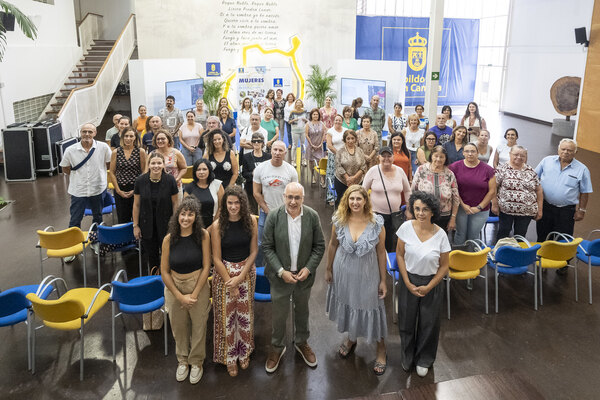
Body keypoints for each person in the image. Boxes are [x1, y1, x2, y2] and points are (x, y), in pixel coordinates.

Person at [262, 182, 325, 373]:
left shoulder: (312, 216)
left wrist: (309, 268)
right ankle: (277, 347)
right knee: (279, 314)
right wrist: (281, 271)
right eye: (289, 197)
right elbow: (267, 247)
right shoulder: (274, 216)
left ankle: (301, 342)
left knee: (302, 311)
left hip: (303, 277)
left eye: (297, 197)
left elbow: (319, 246)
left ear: (303, 198)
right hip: (280, 277)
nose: (293, 201)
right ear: (284, 197)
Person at [325, 185, 388, 375]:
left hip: (368, 273)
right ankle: (352, 338)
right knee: (350, 303)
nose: (355, 202)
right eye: (351, 198)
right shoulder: (339, 220)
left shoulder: (376, 223)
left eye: (359, 199)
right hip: (343, 272)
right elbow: (332, 245)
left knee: (372, 306)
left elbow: (381, 252)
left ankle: (381, 349)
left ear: (365, 201)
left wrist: (383, 280)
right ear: (346, 200)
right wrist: (328, 269)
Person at [395, 191, 450, 378]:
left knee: (429, 323)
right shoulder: (405, 228)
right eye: (417, 208)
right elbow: (400, 255)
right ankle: (407, 355)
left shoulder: (441, 235)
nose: (420, 213)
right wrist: (406, 281)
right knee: (406, 320)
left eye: (425, 209)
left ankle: (424, 359)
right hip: (408, 279)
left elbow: (444, 266)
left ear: (433, 211)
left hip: (431, 283)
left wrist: (430, 286)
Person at [160, 197, 211, 385]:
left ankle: (196, 362)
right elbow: (164, 271)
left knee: (199, 326)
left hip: (198, 284)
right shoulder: (168, 239)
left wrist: (195, 294)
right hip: (175, 287)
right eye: (183, 214)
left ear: (196, 217)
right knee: (178, 327)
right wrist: (180, 296)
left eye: (190, 214)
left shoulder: (203, 235)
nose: (186, 218)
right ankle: (182, 360)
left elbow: (207, 266)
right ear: (177, 216)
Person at [211, 185, 258, 376]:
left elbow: (254, 251)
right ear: (225, 204)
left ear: (242, 203)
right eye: (229, 203)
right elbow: (216, 258)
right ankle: (229, 357)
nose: (233, 206)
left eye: (237, 203)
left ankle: (244, 351)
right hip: (224, 275)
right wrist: (230, 282)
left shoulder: (251, 221)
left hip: (246, 272)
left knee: (245, 315)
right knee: (226, 318)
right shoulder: (217, 226)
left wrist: (240, 277)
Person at [535, 138, 593, 274]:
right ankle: (542, 262)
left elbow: (585, 192)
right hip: (545, 206)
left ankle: (563, 265)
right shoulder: (546, 161)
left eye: (570, 150)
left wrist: (582, 210)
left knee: (564, 238)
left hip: (566, 210)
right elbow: (533, 178)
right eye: (563, 149)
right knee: (542, 235)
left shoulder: (582, 169)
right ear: (558, 149)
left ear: (575, 152)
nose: (566, 152)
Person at [253, 141, 298, 268]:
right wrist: (267, 210)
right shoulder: (261, 169)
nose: (277, 153)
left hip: (286, 214)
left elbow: (295, 194)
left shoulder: (291, 170)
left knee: (284, 243)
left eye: (280, 150)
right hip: (265, 213)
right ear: (271, 151)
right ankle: (258, 269)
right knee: (261, 243)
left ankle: (282, 269)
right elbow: (256, 192)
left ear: (285, 153)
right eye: (275, 150)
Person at [60, 124, 112, 233]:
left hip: (97, 188)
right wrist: (78, 176)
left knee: (98, 217)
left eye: (90, 132)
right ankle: (74, 239)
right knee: (75, 218)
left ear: (95, 133)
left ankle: (96, 237)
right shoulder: (70, 150)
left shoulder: (103, 147)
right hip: (78, 189)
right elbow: (65, 168)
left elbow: (109, 164)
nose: (87, 134)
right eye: (84, 131)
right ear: (80, 133)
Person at [133, 151, 179, 269]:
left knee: (167, 256)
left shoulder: (170, 180)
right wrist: (135, 225)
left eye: (159, 163)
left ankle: (166, 278)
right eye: (153, 163)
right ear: (148, 165)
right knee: (152, 257)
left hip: (166, 224)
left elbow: (175, 204)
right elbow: (136, 205)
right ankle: (154, 276)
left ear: (163, 165)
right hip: (146, 225)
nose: (156, 166)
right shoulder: (140, 181)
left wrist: (175, 224)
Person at [363, 147, 411, 251]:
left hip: (395, 215)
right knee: (376, 243)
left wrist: (408, 209)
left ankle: (388, 261)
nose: (386, 158)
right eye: (383, 156)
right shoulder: (373, 171)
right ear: (378, 157)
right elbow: (363, 191)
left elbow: (407, 190)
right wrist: (365, 210)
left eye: (389, 156)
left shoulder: (400, 171)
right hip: (376, 215)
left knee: (392, 243)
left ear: (393, 157)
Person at [491, 146, 542, 240]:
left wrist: (540, 210)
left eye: (522, 155)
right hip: (506, 211)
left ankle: (518, 250)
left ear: (526, 157)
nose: (519, 157)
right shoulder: (502, 169)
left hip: (526, 212)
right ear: (510, 154)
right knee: (503, 234)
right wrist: (494, 204)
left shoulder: (531, 171)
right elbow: (493, 187)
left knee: (520, 236)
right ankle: (501, 249)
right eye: (516, 154)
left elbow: (539, 190)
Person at [449, 143, 496, 244]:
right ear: (463, 153)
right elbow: (453, 189)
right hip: (460, 208)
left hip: (481, 210)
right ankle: (459, 254)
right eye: (467, 151)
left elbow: (492, 191)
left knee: (473, 236)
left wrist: (479, 207)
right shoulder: (454, 167)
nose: (470, 154)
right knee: (460, 234)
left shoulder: (488, 169)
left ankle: (473, 253)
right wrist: (463, 205)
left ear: (478, 153)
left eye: (473, 151)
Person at [412, 145, 460, 232]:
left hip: (444, 216)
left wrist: (453, 218)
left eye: (441, 157)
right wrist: (411, 211)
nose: (438, 159)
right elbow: (413, 192)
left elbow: (456, 198)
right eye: (436, 156)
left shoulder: (449, 174)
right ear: (431, 156)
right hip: (423, 214)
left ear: (445, 158)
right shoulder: (421, 170)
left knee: (440, 238)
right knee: (423, 236)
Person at [109, 126, 147, 224]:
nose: (128, 138)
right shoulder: (116, 152)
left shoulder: (140, 151)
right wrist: (118, 190)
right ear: (122, 137)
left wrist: (135, 190)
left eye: (131, 136)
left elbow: (144, 172)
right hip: (120, 188)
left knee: (137, 218)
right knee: (122, 218)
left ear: (135, 138)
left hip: (136, 188)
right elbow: (112, 172)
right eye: (126, 136)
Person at [184, 159, 224, 228]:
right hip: (194, 226)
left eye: (204, 169)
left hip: (214, 224)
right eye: (198, 170)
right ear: (195, 172)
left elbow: (222, 207)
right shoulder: (189, 187)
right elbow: (185, 208)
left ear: (209, 170)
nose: (201, 172)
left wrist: (213, 226)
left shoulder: (217, 185)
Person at [334, 130, 367, 208]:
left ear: (355, 139)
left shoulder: (360, 150)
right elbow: (338, 166)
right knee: (342, 203)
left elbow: (363, 166)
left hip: (358, 181)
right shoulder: (340, 151)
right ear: (344, 139)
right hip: (342, 181)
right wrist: (348, 179)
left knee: (356, 203)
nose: (350, 141)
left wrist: (354, 178)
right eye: (348, 138)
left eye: (352, 138)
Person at [241, 132, 271, 213]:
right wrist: (252, 174)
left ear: (262, 143)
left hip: (265, 189)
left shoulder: (268, 157)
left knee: (266, 210)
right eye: (254, 141)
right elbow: (244, 174)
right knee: (252, 212)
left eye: (259, 141)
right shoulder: (246, 157)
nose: (256, 143)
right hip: (250, 188)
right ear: (251, 143)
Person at [153, 129, 187, 196]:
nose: (160, 141)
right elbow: (147, 171)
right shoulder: (152, 154)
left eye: (163, 139)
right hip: (157, 187)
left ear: (168, 140)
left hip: (174, 187)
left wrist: (177, 179)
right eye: (158, 139)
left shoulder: (176, 153)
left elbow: (184, 168)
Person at [326, 115, 347, 205]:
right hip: (333, 156)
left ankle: (343, 196)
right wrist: (338, 154)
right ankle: (331, 197)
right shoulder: (330, 131)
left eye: (339, 120)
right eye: (336, 120)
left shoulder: (346, 130)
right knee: (332, 176)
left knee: (343, 176)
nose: (338, 122)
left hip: (344, 156)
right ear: (333, 121)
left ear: (342, 121)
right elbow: (329, 145)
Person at [305, 108, 326, 185]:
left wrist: (321, 143)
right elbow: (306, 135)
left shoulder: (322, 123)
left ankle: (322, 177)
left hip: (320, 145)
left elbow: (324, 133)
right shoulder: (308, 124)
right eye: (314, 114)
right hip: (311, 145)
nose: (315, 116)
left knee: (320, 161)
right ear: (311, 115)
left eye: (317, 114)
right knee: (311, 162)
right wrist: (311, 144)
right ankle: (313, 175)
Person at [288, 99, 308, 166]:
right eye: (297, 103)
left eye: (300, 103)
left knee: (303, 145)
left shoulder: (305, 111)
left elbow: (308, 121)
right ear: (295, 104)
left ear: (302, 104)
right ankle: (293, 161)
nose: (298, 104)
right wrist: (294, 119)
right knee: (294, 145)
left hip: (303, 130)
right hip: (295, 131)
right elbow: (289, 121)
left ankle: (303, 160)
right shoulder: (292, 112)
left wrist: (305, 120)